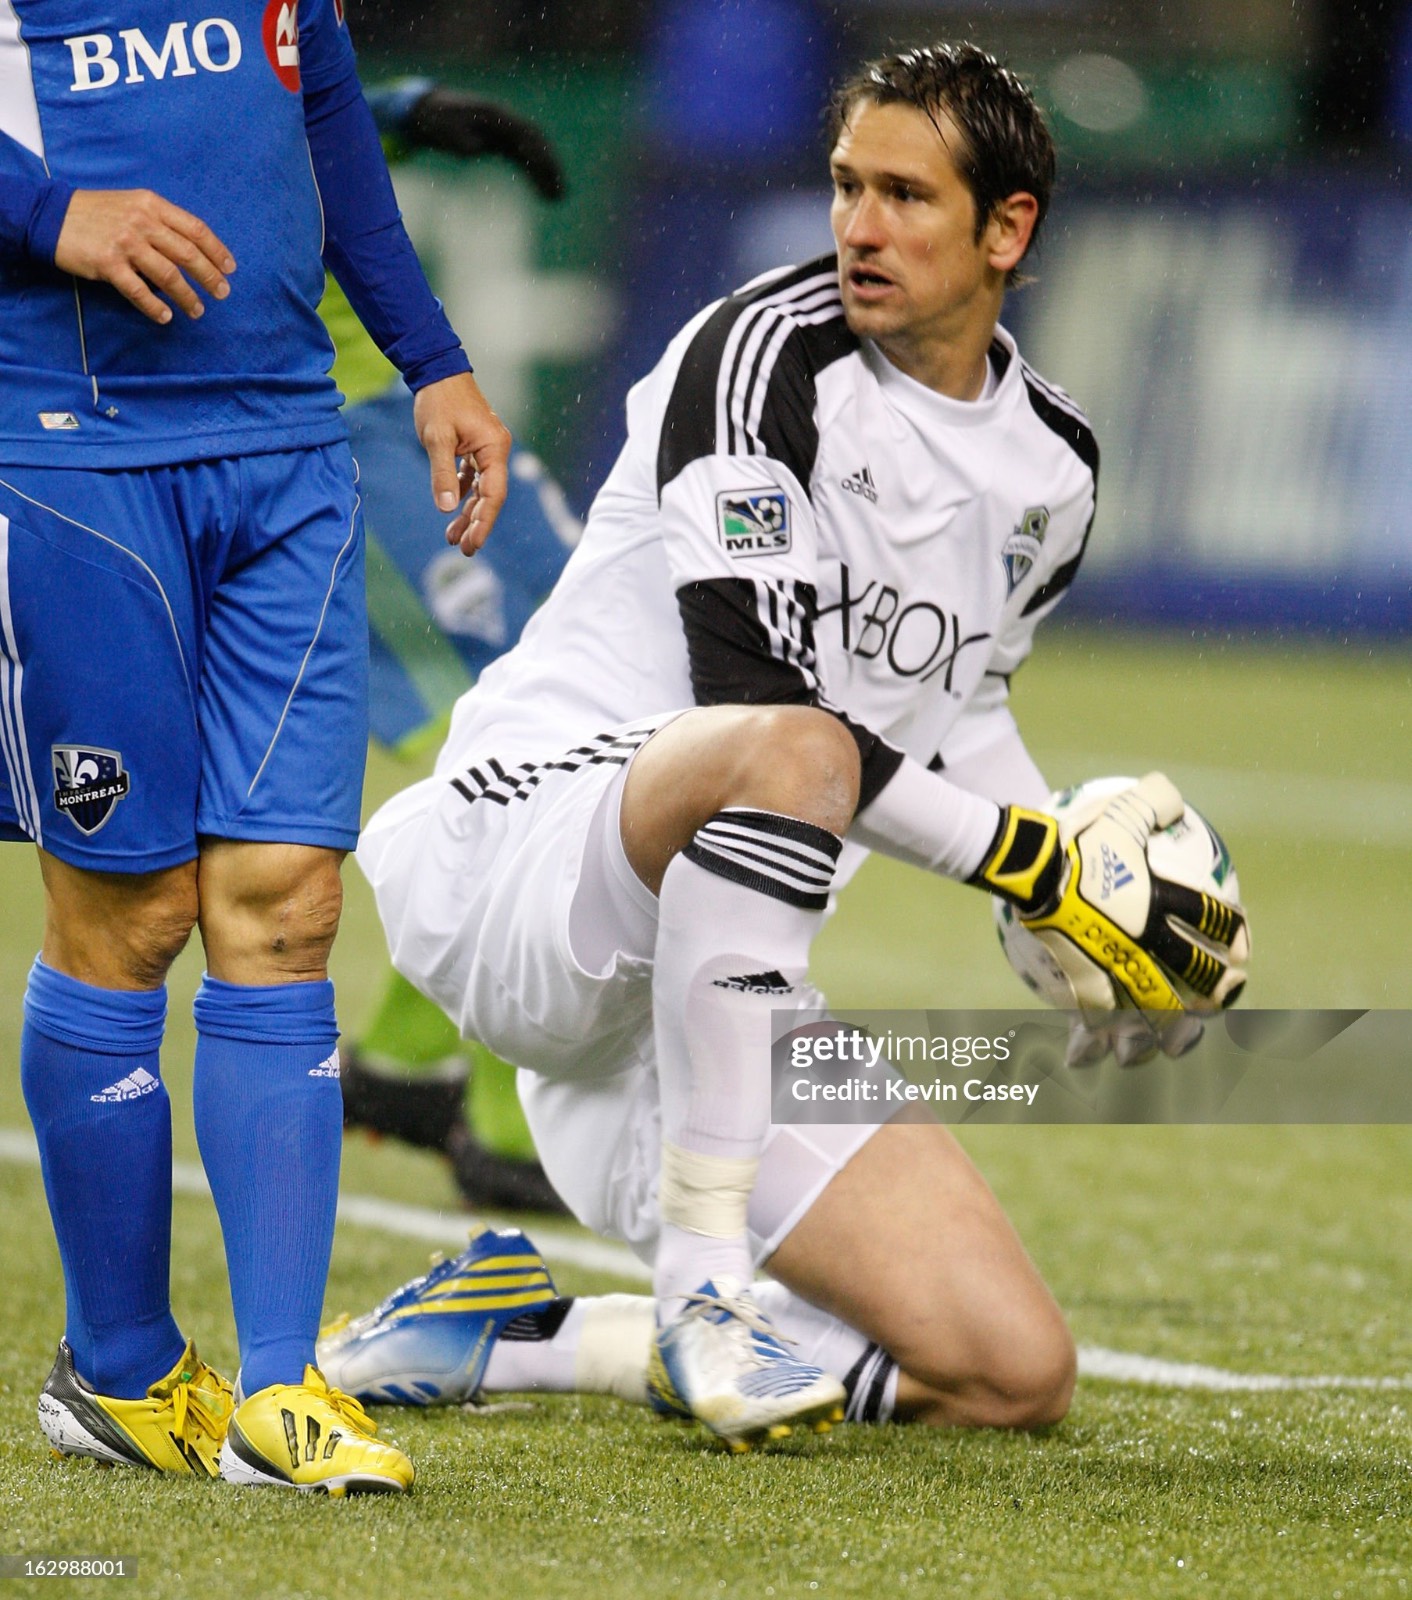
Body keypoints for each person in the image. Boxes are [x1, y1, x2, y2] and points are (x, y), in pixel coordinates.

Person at [339, 43, 1248, 1449]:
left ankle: (527, 1335)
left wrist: (1091, 902)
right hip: (523, 858)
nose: (859, 227)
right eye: (845, 186)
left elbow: (967, 702)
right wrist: (1038, 868)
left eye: (905, 196)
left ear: (1009, 231)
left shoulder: (1052, 470)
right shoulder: (758, 355)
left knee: (1007, 1376)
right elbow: (762, 709)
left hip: (709, 1011)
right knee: (790, 744)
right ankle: (703, 1277)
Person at [0, 1, 511, 1494]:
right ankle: (119, 1367)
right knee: (130, 911)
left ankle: (283, 1389)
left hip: (288, 451)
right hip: (71, 455)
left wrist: (432, 359)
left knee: (286, 904)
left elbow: (326, 124)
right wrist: (46, 209)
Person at [327, 80, 576, 1214]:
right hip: (319, 422)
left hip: (399, 401)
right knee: (505, 759)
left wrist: (401, 105)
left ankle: (394, 1063)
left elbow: (265, 81)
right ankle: (503, 1123)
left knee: (585, 702)